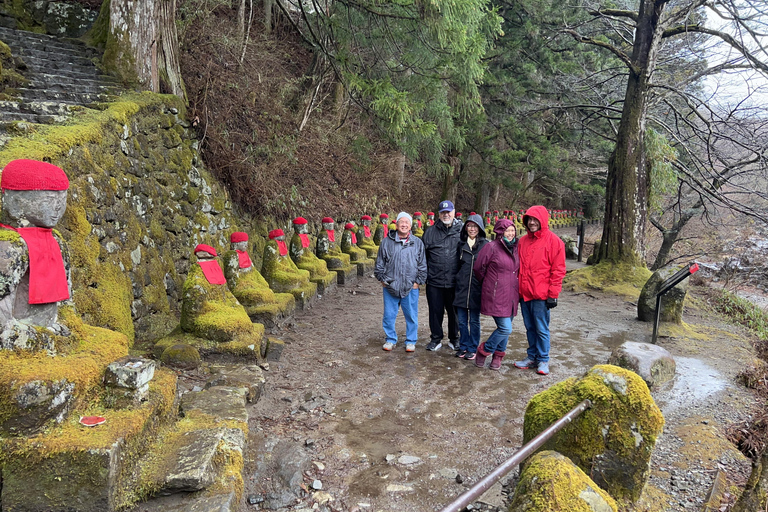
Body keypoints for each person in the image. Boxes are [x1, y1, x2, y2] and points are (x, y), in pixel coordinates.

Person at [513, 205, 566, 376]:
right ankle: (532, 356)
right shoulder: (522, 241)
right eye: (530, 219)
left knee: (541, 328)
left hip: (541, 295)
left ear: (542, 221)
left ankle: (543, 358)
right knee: (529, 327)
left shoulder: (554, 242)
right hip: (525, 292)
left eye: (536, 220)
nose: (532, 223)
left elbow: (558, 270)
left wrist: (553, 294)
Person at [374, 212, 427, 352]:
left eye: (407, 223)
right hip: (390, 285)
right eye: (401, 222)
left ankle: (411, 340)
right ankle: (390, 339)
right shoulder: (386, 242)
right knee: (389, 315)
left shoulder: (417, 243)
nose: (404, 225)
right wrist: (382, 279)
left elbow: (422, 265)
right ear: (396, 224)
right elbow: (379, 264)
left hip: (410, 286)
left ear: (410, 226)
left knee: (411, 315)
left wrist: (418, 282)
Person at [472, 219, 520, 370]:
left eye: (513, 230)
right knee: (505, 328)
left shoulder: (516, 248)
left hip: (512, 294)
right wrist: (491, 283)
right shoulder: (491, 247)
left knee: (506, 328)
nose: (511, 234)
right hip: (496, 294)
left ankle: (498, 357)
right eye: (507, 231)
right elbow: (478, 269)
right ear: (500, 232)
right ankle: (484, 350)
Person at [421, 200, 463, 352]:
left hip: (455, 281)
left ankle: (455, 338)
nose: (446, 215)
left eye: (449, 212)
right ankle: (436, 338)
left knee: (455, 313)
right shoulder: (430, 232)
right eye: (443, 212)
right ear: (439, 214)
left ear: (453, 212)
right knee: (435, 311)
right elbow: (422, 257)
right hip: (434, 280)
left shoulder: (462, 231)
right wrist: (424, 276)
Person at [452, 214, 489, 360]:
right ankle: (463, 346)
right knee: (461, 321)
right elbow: (456, 265)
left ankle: (473, 347)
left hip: (476, 289)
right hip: (461, 288)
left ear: (480, 228)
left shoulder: (486, 245)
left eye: (475, 226)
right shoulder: (461, 245)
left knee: (474, 321)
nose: (472, 229)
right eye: (469, 226)